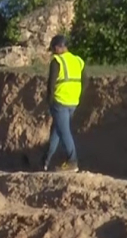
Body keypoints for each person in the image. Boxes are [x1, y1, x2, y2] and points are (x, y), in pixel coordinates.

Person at [41, 35, 85, 173]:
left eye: (54, 48)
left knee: (64, 132)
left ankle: (72, 161)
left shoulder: (57, 61)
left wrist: (49, 101)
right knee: (57, 130)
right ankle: (45, 162)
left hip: (60, 101)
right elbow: (86, 81)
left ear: (60, 46)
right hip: (73, 102)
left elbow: (51, 83)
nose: (53, 51)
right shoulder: (78, 60)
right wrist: (78, 94)